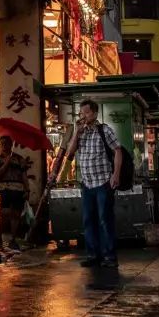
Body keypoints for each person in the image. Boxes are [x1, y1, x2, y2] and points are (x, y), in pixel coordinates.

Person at [62, 99, 122, 268]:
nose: (83, 116)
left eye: (86, 113)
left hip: (103, 182)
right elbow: (70, 153)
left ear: (95, 113)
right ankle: (93, 255)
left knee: (104, 219)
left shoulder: (104, 130)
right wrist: (76, 133)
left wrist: (116, 174)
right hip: (87, 183)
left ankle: (110, 257)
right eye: (81, 113)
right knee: (89, 220)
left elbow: (117, 150)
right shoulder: (80, 132)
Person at [0, 135, 29, 250]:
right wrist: (7, 162)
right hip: (4, 190)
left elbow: (24, 176)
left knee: (16, 215)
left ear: (10, 144)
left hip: (18, 190)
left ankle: (13, 239)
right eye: (2, 143)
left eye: (6, 143)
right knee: (3, 215)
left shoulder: (19, 159)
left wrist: (27, 190)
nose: (4, 146)